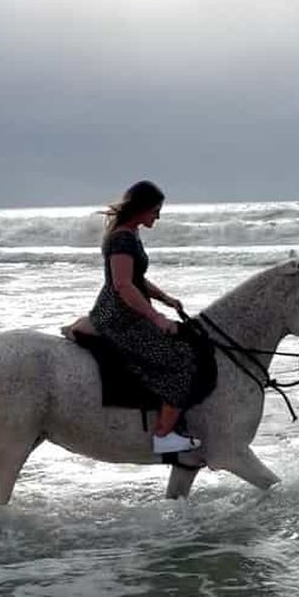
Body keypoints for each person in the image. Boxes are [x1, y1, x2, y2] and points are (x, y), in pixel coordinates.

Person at [87, 180, 202, 454]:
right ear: (140, 208)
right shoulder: (122, 239)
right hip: (119, 317)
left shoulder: (131, 234)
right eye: (155, 210)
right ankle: (163, 435)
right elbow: (123, 285)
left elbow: (137, 279)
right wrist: (156, 317)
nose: (158, 216)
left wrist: (165, 298)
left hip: (127, 310)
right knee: (180, 362)